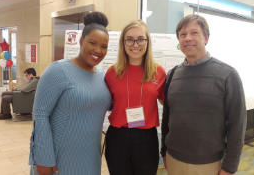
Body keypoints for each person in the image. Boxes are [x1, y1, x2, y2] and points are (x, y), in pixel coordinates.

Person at [161, 14, 247, 175]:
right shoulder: (172, 75)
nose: (188, 38)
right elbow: (167, 117)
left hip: (209, 164)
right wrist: (163, 151)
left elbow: (237, 124)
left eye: (194, 33)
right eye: (183, 34)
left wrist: (230, 167)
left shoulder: (227, 75)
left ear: (206, 38)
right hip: (174, 160)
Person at [29, 12, 112, 175]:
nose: (98, 50)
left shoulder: (104, 77)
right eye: (92, 43)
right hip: (60, 159)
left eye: (104, 46)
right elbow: (40, 115)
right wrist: (43, 158)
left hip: (91, 158)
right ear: (81, 41)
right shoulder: (58, 70)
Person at [104, 20, 166, 175]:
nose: (135, 44)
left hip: (147, 138)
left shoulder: (159, 72)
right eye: (129, 39)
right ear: (123, 43)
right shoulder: (112, 73)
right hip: (118, 137)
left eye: (140, 39)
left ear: (147, 42)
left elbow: (167, 104)